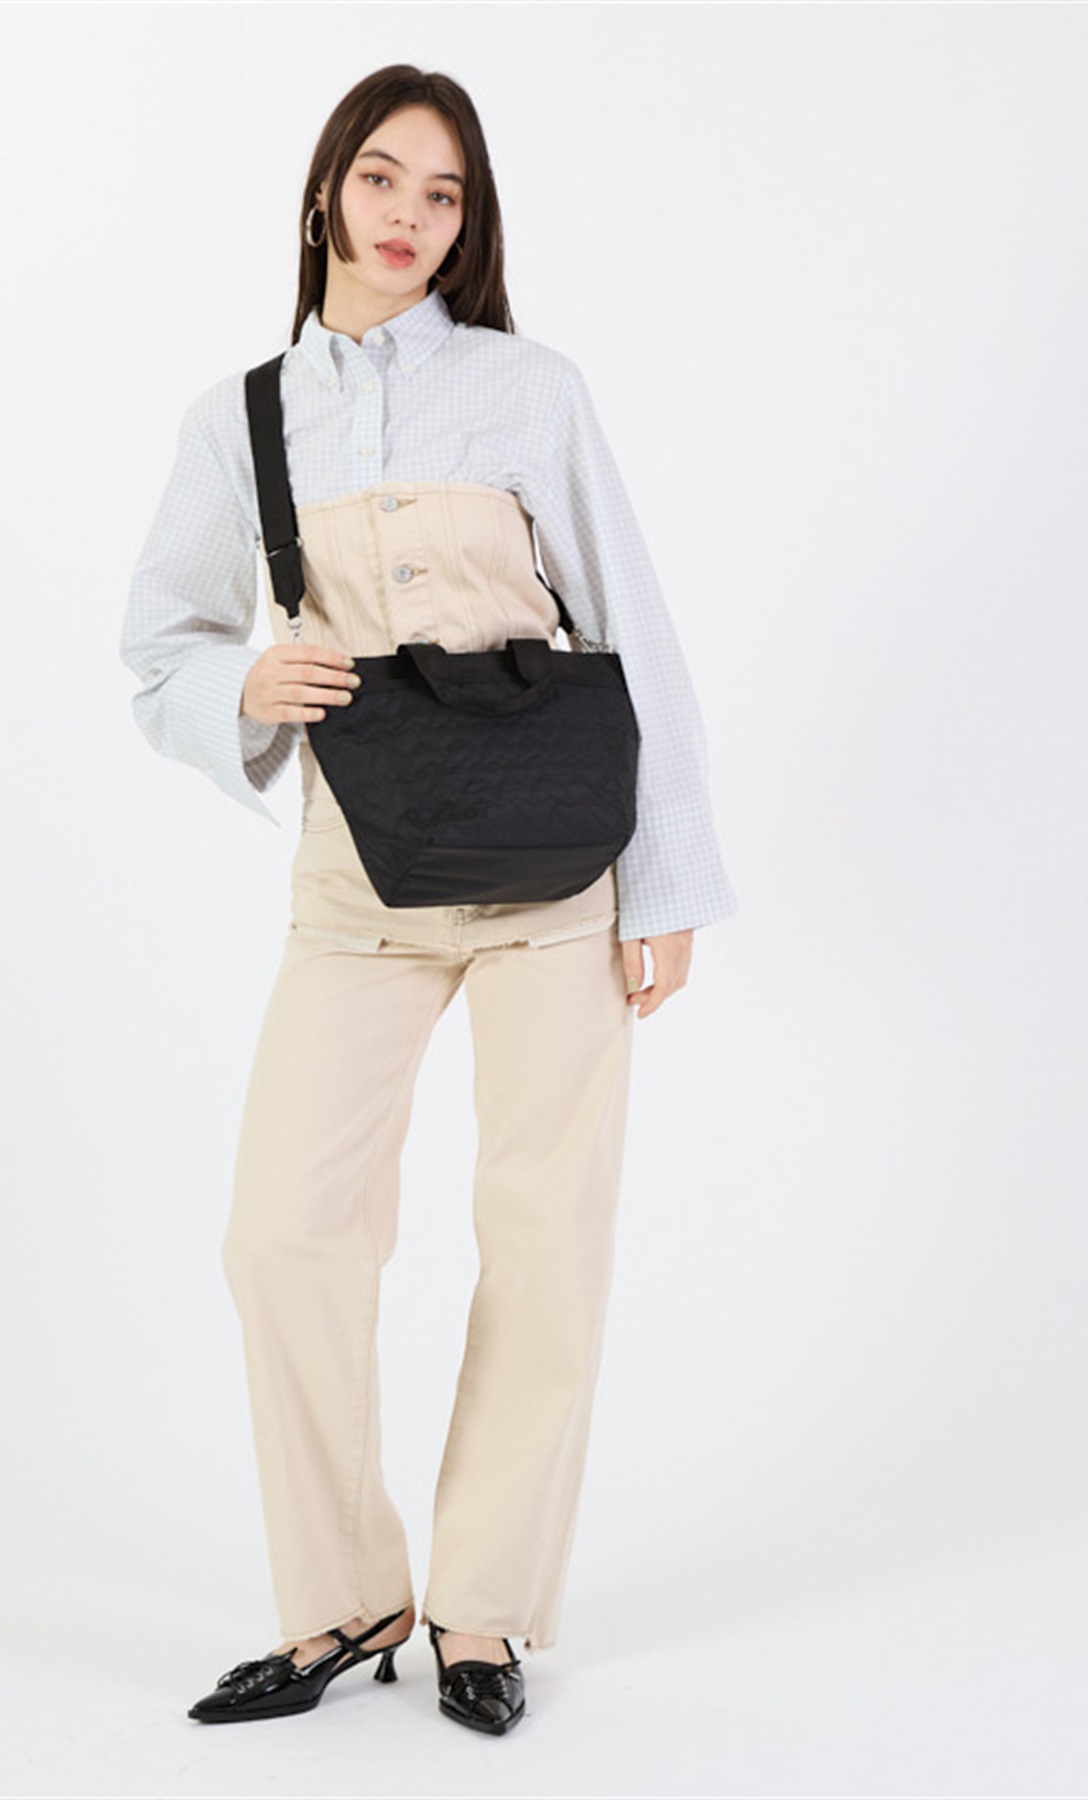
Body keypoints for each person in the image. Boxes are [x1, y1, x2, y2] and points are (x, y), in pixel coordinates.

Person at [118, 64, 738, 1737]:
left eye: (443, 194)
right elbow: (160, 644)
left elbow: (635, 628)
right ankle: (346, 1597)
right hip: (360, 873)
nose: (407, 215)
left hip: (556, 871)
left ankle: (481, 1610)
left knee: (546, 1231)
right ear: (326, 190)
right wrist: (244, 688)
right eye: (383, 178)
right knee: (282, 1230)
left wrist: (667, 878)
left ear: (471, 226)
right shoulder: (243, 419)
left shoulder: (530, 389)